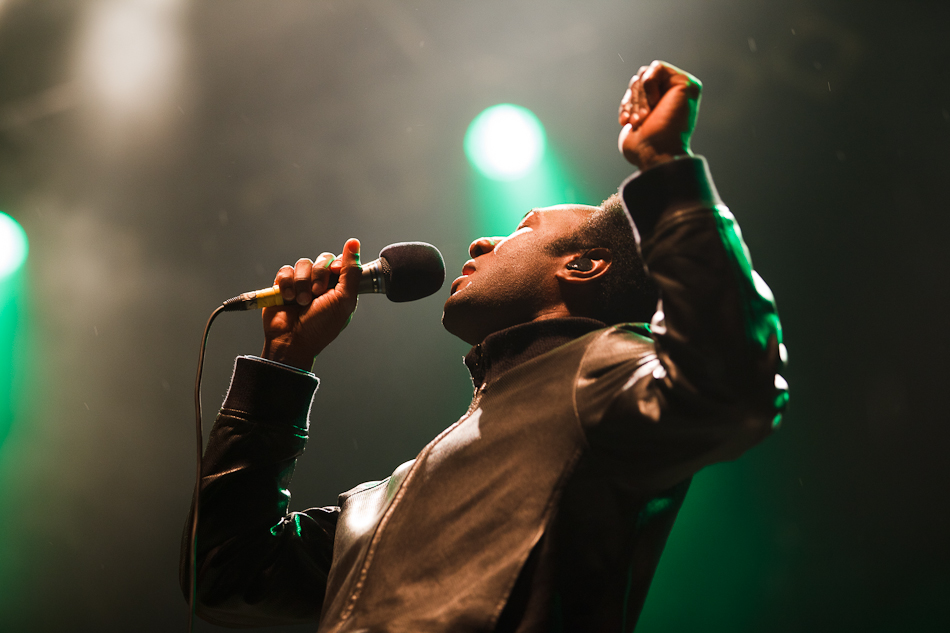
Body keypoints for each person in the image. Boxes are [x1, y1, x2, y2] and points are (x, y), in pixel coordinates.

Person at [181, 60, 788, 632]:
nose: (479, 243)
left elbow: (734, 382)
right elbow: (226, 574)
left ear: (583, 265)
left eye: (521, 228)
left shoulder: (608, 374)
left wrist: (666, 170)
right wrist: (285, 364)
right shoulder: (396, 493)